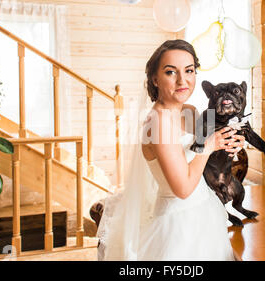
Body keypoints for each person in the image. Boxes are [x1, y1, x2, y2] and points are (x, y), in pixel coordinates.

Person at [97, 39, 245, 261]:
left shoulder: (190, 111)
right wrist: (210, 145)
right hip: (177, 225)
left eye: (189, 70)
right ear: (155, 79)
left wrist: (228, 144)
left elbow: (203, 161)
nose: (182, 80)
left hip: (205, 212)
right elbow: (182, 188)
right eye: (170, 72)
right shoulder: (157, 123)